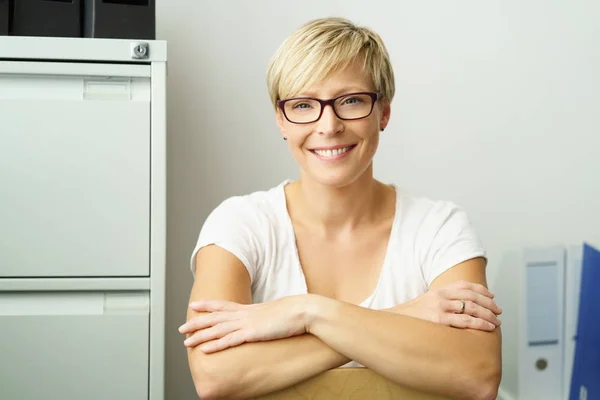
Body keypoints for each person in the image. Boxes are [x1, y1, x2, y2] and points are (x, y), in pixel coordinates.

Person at [179, 17, 502, 400]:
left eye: (350, 101)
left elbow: (476, 374)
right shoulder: (239, 224)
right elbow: (216, 377)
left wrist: (308, 314)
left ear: (383, 112)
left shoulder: (440, 227)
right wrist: (404, 315)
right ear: (281, 119)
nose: (328, 125)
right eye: (303, 105)